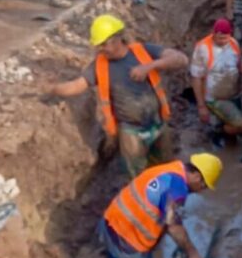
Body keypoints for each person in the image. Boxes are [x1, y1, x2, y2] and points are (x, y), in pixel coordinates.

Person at [44, 14, 188, 177]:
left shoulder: (143, 51)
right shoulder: (100, 66)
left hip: (158, 124)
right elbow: (77, 86)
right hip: (130, 131)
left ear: (117, 39)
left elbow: (181, 59)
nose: (101, 49)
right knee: (137, 175)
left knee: (165, 169)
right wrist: (52, 88)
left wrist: (149, 66)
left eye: (104, 44)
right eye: (99, 45)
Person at [98, 153, 225, 258]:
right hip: (125, 238)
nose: (200, 191)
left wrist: (181, 244)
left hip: (112, 219)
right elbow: (174, 227)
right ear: (197, 177)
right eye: (203, 186)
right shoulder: (177, 188)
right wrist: (192, 254)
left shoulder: (173, 168)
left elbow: (166, 215)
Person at [190, 19, 242, 155]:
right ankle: (218, 130)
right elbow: (196, 78)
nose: (223, 41)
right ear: (213, 33)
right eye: (220, 38)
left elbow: (241, 67)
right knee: (241, 125)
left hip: (234, 94)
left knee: (235, 126)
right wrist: (201, 106)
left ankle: (226, 138)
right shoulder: (203, 48)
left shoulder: (233, 44)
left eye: (225, 38)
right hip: (215, 98)